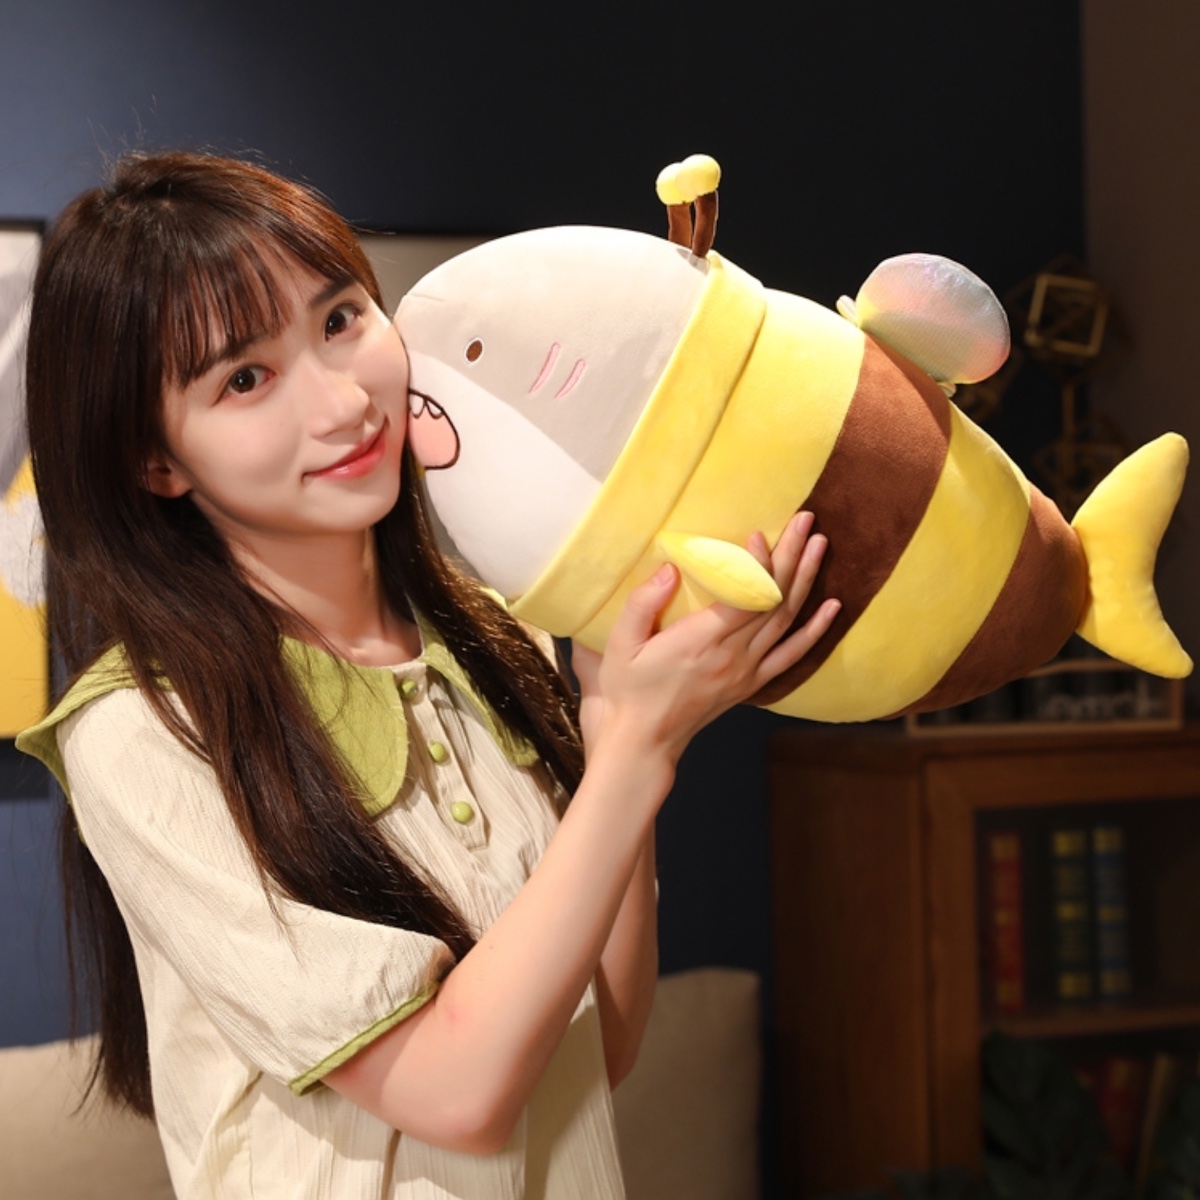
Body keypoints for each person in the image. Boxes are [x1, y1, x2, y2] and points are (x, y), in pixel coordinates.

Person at [16, 150, 840, 1199]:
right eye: (245, 379)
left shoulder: (499, 631)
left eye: (339, 320)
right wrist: (635, 750)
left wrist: (613, 728)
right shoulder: (145, 730)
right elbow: (459, 1093)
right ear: (156, 461)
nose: (342, 402)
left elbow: (602, 1045)